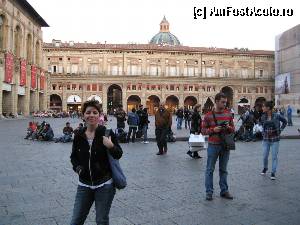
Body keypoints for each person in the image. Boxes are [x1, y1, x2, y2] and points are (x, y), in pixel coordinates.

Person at [70, 99, 123, 225]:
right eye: (88, 112)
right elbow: (73, 157)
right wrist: (78, 169)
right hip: (84, 185)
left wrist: (110, 146)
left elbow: (118, 154)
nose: (91, 115)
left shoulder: (107, 133)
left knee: (101, 220)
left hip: (104, 184)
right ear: (83, 115)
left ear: (99, 115)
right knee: (76, 220)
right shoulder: (79, 135)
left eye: (95, 112)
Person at [202, 92, 235, 201]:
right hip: (213, 145)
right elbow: (202, 131)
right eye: (222, 102)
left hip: (225, 145)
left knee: (223, 170)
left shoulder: (229, 114)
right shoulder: (208, 115)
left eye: (225, 102)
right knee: (210, 169)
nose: (225, 104)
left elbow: (233, 129)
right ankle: (209, 192)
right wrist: (213, 130)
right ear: (216, 101)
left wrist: (229, 127)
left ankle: (224, 190)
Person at [260, 101, 287, 180]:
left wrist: (280, 130)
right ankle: (265, 168)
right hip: (266, 139)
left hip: (275, 139)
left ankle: (273, 172)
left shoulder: (277, 116)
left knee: (274, 156)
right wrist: (263, 132)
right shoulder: (263, 117)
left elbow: (285, 122)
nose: (262, 108)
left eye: (263, 106)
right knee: (265, 156)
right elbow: (262, 125)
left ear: (268, 108)